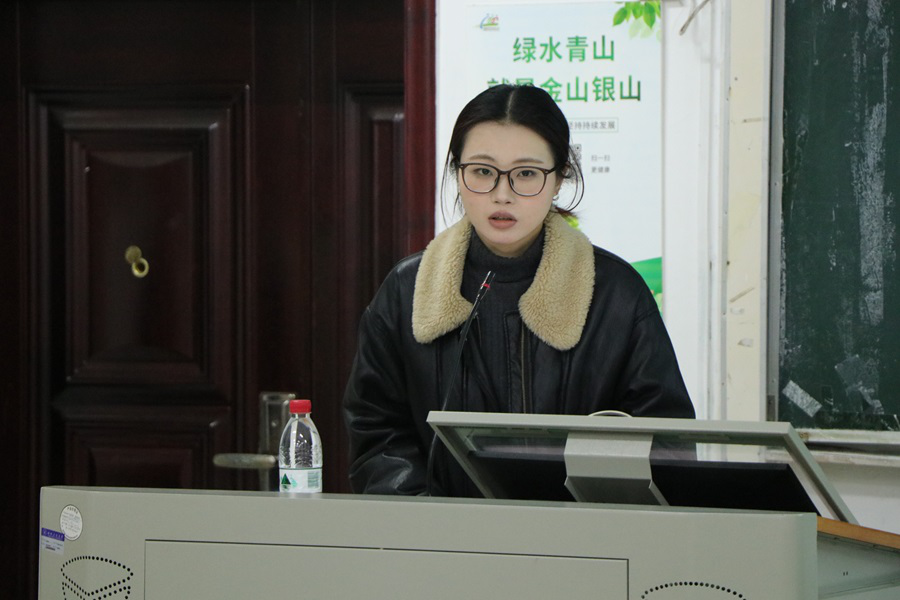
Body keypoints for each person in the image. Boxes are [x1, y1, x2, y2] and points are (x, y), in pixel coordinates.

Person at [343, 83, 694, 497]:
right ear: (457, 173)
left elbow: (666, 442)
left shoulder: (616, 294)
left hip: (581, 535)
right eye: (482, 171)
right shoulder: (406, 291)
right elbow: (377, 434)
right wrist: (430, 518)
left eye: (526, 173)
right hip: (442, 533)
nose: (502, 194)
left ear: (560, 177)